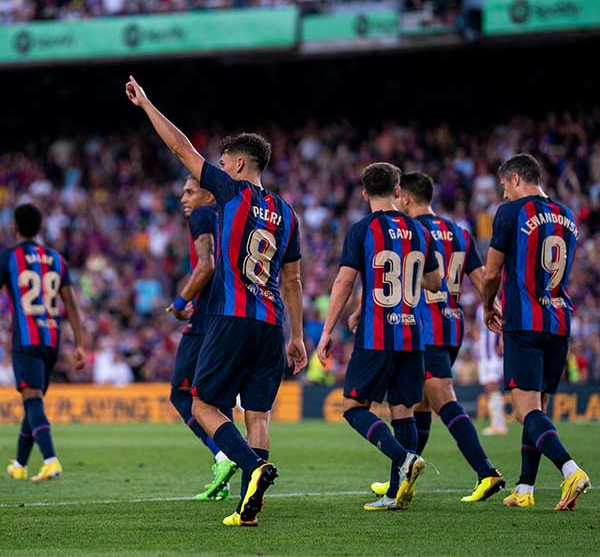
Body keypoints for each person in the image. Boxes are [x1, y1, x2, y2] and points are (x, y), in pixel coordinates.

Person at [125, 76, 307, 527]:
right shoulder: (287, 213)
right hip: (273, 324)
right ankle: (250, 505)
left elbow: (181, 147)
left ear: (240, 164)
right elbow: (294, 279)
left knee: (202, 405)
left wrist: (147, 105)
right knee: (258, 415)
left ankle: (252, 468)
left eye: (223, 162)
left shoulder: (231, 191)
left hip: (231, 317)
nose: (218, 168)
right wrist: (298, 337)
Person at [368, 172, 504, 503]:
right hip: (451, 326)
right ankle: (402, 479)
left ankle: (486, 472)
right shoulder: (459, 232)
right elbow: (482, 278)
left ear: (407, 199)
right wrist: (491, 307)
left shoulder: (410, 232)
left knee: (442, 399)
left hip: (423, 329)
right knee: (420, 404)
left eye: (400, 198)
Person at [317, 163, 441, 511]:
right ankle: (395, 493)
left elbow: (344, 282)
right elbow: (434, 282)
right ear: (398, 191)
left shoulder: (362, 230)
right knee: (403, 410)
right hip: (413, 336)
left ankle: (403, 459)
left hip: (378, 336)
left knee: (354, 408)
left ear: (364, 193)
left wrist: (327, 331)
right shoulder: (419, 230)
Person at [483, 153, 591, 510]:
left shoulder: (511, 213)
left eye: (503, 185)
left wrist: (488, 304)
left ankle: (570, 470)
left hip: (524, 320)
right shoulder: (568, 215)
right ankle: (525, 488)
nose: (502, 194)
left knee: (524, 411)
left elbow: (491, 272)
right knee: (538, 407)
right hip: (559, 320)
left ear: (515, 178)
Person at [166, 176, 237, 501]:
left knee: (181, 394)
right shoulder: (230, 218)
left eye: (190, 191)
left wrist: (180, 303)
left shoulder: (203, 215)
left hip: (204, 322)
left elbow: (206, 265)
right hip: (230, 317)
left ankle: (222, 456)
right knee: (220, 403)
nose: (184, 197)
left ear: (209, 195)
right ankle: (229, 478)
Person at [1, 204, 84, 482]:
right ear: (39, 228)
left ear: (15, 227)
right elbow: (70, 302)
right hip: (51, 339)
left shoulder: (9, 257)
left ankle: (50, 460)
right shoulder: (56, 259)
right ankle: (20, 464)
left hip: (25, 338)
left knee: (32, 398)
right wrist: (80, 344)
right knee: (32, 399)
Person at [474, 304, 507, 436]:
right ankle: (495, 423)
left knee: (492, 386)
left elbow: (504, 324)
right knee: (488, 389)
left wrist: (501, 338)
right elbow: (477, 326)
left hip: (494, 354)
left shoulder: (497, 304)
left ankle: (499, 424)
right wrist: (477, 342)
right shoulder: (479, 308)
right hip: (484, 355)